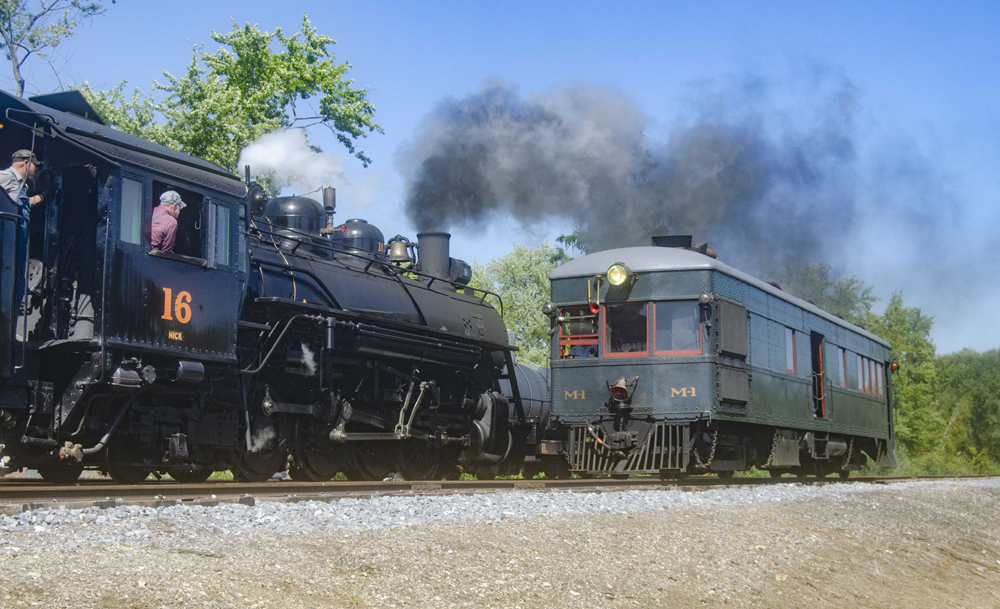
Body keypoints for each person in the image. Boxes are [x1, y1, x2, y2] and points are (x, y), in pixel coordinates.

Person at [0, 150, 45, 309]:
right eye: (35, 166)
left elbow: (22, 205)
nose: (37, 170)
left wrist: (43, 197)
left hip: (18, 244)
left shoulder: (20, 184)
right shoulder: (6, 177)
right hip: (8, 242)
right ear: (26, 163)